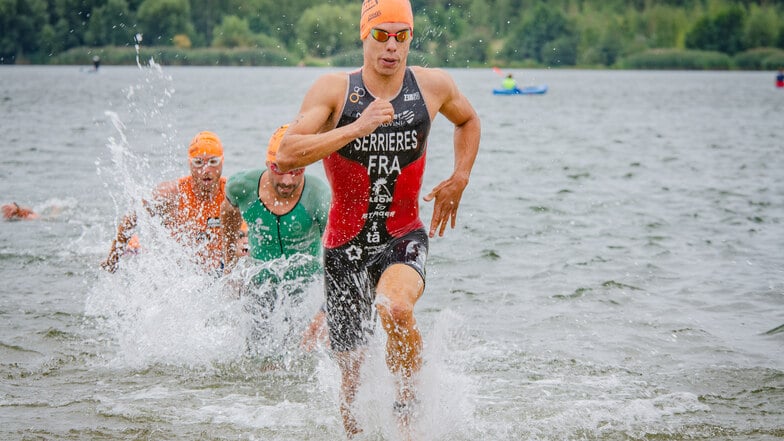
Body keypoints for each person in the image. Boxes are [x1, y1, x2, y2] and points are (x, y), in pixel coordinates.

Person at [274, 0, 481, 436]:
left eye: (401, 36)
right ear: (364, 36)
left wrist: (460, 176)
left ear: (411, 39)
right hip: (343, 249)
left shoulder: (432, 86)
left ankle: (409, 408)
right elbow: (287, 151)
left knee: (396, 307)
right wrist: (354, 128)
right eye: (381, 36)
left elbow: (468, 121)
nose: (391, 47)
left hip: (402, 234)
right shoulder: (334, 90)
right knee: (350, 383)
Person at [102, 131, 227, 273]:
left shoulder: (232, 194)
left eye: (213, 162)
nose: (206, 170)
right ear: (189, 164)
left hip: (216, 265)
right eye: (198, 162)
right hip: (180, 267)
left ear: (222, 161)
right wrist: (112, 260)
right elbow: (133, 217)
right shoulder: (173, 194)